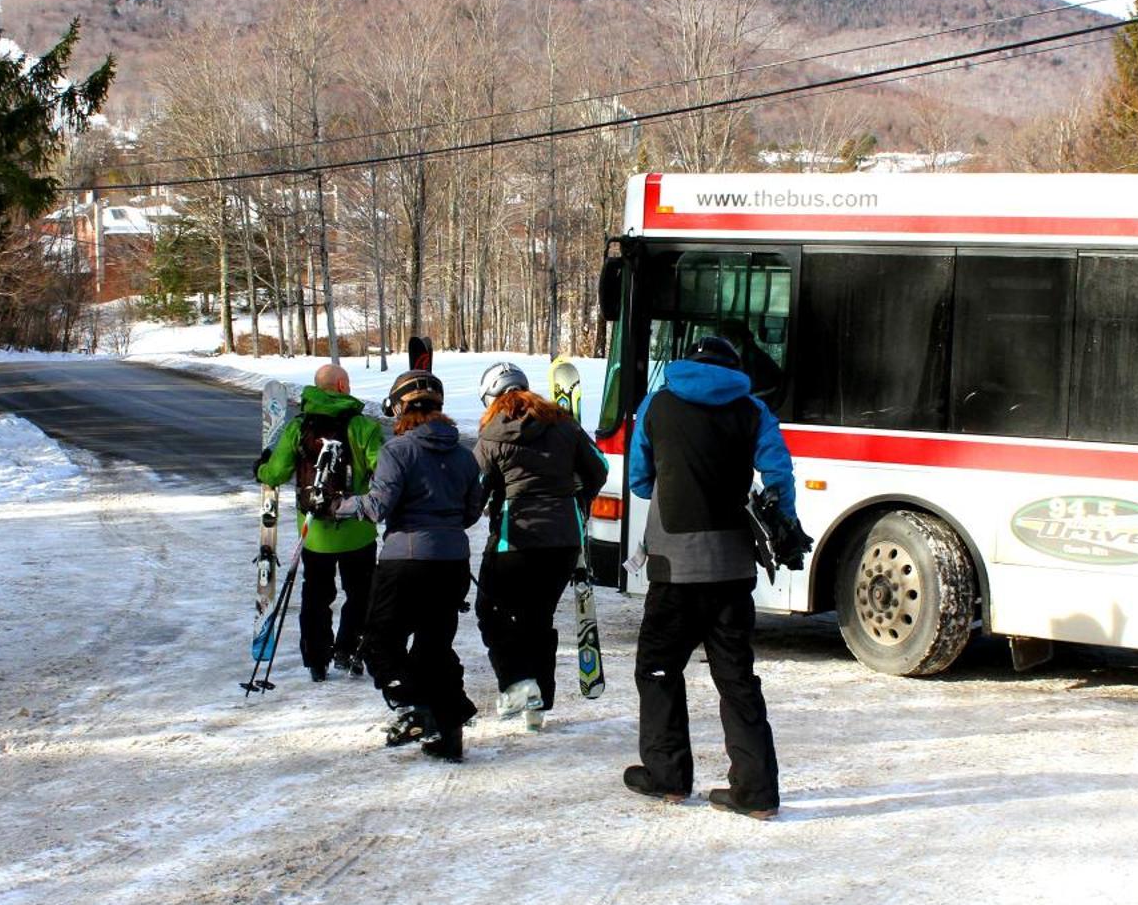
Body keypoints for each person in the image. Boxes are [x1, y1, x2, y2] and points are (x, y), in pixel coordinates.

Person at [623, 335, 797, 818]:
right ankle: (756, 793)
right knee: (737, 679)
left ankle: (667, 776)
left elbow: (639, 479)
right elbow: (778, 473)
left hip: (673, 569)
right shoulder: (752, 410)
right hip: (732, 568)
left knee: (657, 669)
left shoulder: (657, 404)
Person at [326, 369, 484, 762]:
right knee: (435, 647)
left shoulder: (398, 450)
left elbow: (378, 506)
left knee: (380, 640)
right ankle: (448, 736)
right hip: (452, 561)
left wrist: (339, 504)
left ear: (399, 408)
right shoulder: (465, 454)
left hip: (405, 560)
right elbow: (471, 511)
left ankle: (413, 709)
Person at [473, 362, 607, 730]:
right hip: (563, 540)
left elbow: (474, 487)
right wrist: (580, 498)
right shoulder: (565, 424)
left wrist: (472, 510)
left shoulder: (491, 435)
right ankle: (538, 705)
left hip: (512, 540)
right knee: (537, 619)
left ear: (491, 397)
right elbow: (599, 468)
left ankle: (517, 684)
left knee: (491, 611)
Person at [254, 364, 385, 681]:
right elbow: (383, 468)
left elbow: (276, 473)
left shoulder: (299, 427)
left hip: (314, 534)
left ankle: (316, 659)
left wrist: (261, 468)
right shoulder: (363, 427)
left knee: (315, 596)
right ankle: (350, 649)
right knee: (361, 593)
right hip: (358, 530)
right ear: (341, 385)